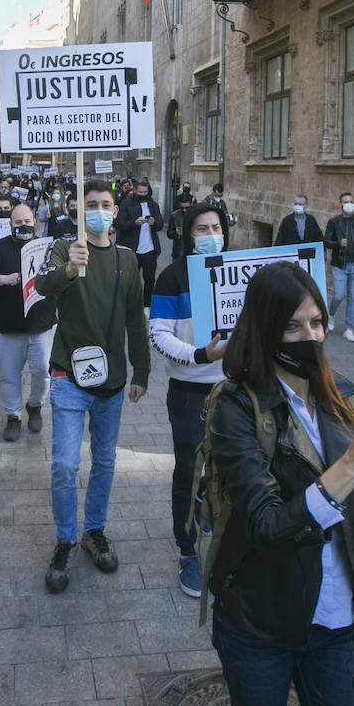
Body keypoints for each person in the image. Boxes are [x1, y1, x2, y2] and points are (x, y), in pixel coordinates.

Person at [206, 261, 354, 706]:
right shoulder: (237, 408)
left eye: (317, 322)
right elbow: (267, 525)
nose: (310, 336)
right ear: (264, 330)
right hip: (260, 625)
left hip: (334, 623)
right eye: (291, 326)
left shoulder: (341, 398)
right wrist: (351, 463)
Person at [35, 181, 150, 594]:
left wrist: (142, 371)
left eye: (105, 205)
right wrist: (68, 269)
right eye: (91, 205)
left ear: (115, 212)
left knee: (104, 462)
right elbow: (42, 286)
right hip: (68, 374)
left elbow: (136, 320)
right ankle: (66, 538)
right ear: (79, 213)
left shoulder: (128, 259)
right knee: (65, 465)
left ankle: (94, 531)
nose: (99, 210)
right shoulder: (65, 250)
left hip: (113, 379)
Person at [149, 203, 228, 598]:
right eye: (202, 228)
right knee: (188, 473)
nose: (211, 234)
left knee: (230, 469)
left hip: (233, 391)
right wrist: (201, 356)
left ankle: (217, 524)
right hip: (190, 393)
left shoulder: (236, 271)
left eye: (216, 227)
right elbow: (159, 334)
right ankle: (187, 551)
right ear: (186, 234)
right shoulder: (172, 277)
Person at [0, 203, 57, 441]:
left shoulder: (47, 248)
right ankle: (13, 416)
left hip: (41, 325)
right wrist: (4, 279)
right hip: (5, 325)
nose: (23, 226)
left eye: (27, 221)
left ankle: (35, 405)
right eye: (18, 222)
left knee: (42, 371)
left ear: (35, 222)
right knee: (9, 375)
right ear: (10, 225)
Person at [323, 192, 354, 341]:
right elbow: (326, 241)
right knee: (338, 295)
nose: (349, 204)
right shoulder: (334, 222)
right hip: (340, 265)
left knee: (352, 297)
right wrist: (338, 243)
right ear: (340, 205)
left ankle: (348, 328)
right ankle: (331, 314)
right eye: (346, 201)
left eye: (351, 201)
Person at [116, 180, 164, 306]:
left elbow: (160, 225)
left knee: (150, 280)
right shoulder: (126, 204)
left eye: (145, 192)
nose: (143, 194)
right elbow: (118, 223)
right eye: (140, 192)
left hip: (150, 250)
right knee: (131, 281)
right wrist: (134, 223)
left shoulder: (153, 205)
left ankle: (147, 306)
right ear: (135, 191)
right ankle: (130, 305)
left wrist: (154, 223)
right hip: (132, 250)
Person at [165, 193, 193, 260]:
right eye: (182, 208)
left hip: (193, 252)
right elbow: (169, 234)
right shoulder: (174, 216)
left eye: (187, 208)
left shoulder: (196, 215)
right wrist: (176, 233)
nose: (184, 210)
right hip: (178, 253)